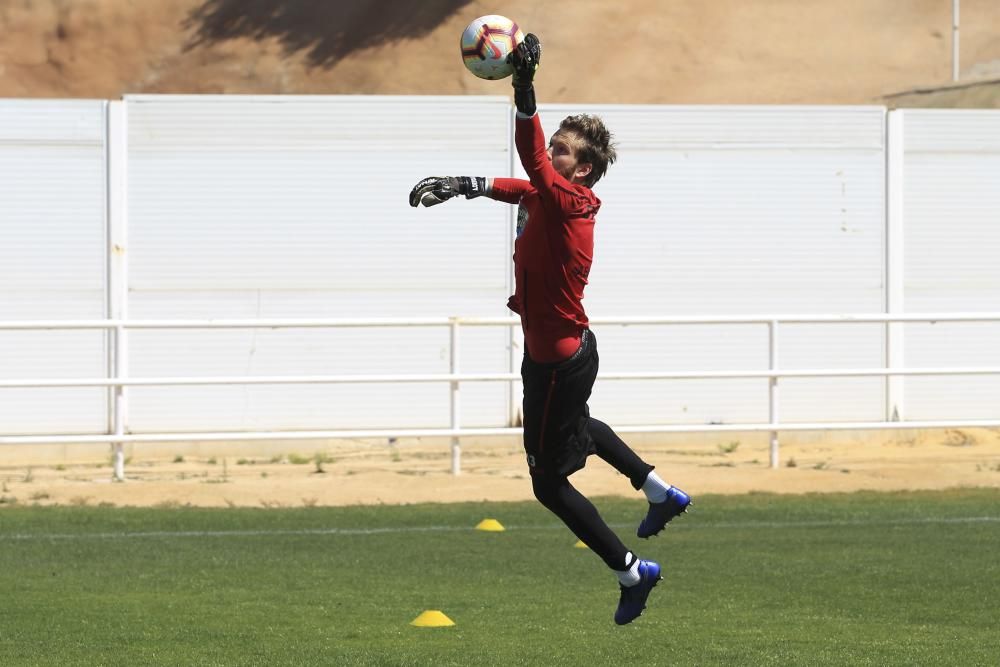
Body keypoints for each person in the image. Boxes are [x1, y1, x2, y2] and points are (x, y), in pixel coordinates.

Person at [408, 33, 690, 625]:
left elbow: (529, 160)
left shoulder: (568, 203)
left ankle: (631, 570)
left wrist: (524, 86)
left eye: (562, 150)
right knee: (578, 427)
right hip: (563, 357)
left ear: (582, 170)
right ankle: (660, 492)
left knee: (548, 484)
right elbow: (522, 183)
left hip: (559, 361)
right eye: (555, 147)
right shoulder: (554, 199)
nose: (551, 154)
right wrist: (465, 185)